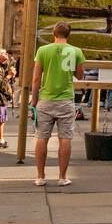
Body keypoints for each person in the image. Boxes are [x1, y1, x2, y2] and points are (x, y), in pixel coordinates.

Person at [31, 22, 86, 187]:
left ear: (53, 34)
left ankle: (40, 176)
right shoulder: (76, 51)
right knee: (65, 138)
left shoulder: (43, 50)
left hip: (46, 99)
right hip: (66, 99)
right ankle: (62, 177)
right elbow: (80, 75)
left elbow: (35, 79)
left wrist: (34, 100)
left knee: (41, 138)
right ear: (68, 35)